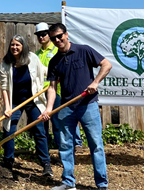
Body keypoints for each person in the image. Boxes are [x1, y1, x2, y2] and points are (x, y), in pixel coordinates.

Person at [39, 23, 112, 190]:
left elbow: (106, 65)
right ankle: (68, 182)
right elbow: (51, 88)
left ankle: (102, 184)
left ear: (66, 34)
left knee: (96, 145)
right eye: (54, 38)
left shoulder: (84, 51)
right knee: (65, 144)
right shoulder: (55, 61)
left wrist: (95, 82)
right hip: (67, 107)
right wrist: (49, 108)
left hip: (88, 105)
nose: (57, 40)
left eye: (60, 36)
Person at [0, 34, 53, 176]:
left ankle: (46, 164)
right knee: (9, 130)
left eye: (18, 45)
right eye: (12, 44)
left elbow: (44, 71)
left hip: (33, 99)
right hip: (14, 101)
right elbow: (4, 87)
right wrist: (8, 107)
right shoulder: (5, 63)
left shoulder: (32, 59)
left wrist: (57, 75)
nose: (14, 47)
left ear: (23, 47)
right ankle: (8, 162)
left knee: (39, 129)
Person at [35, 22, 83, 153]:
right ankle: (46, 150)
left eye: (44, 34)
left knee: (58, 123)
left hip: (57, 92)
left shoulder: (57, 49)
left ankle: (64, 148)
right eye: (38, 35)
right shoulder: (37, 54)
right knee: (42, 122)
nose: (41, 37)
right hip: (40, 92)